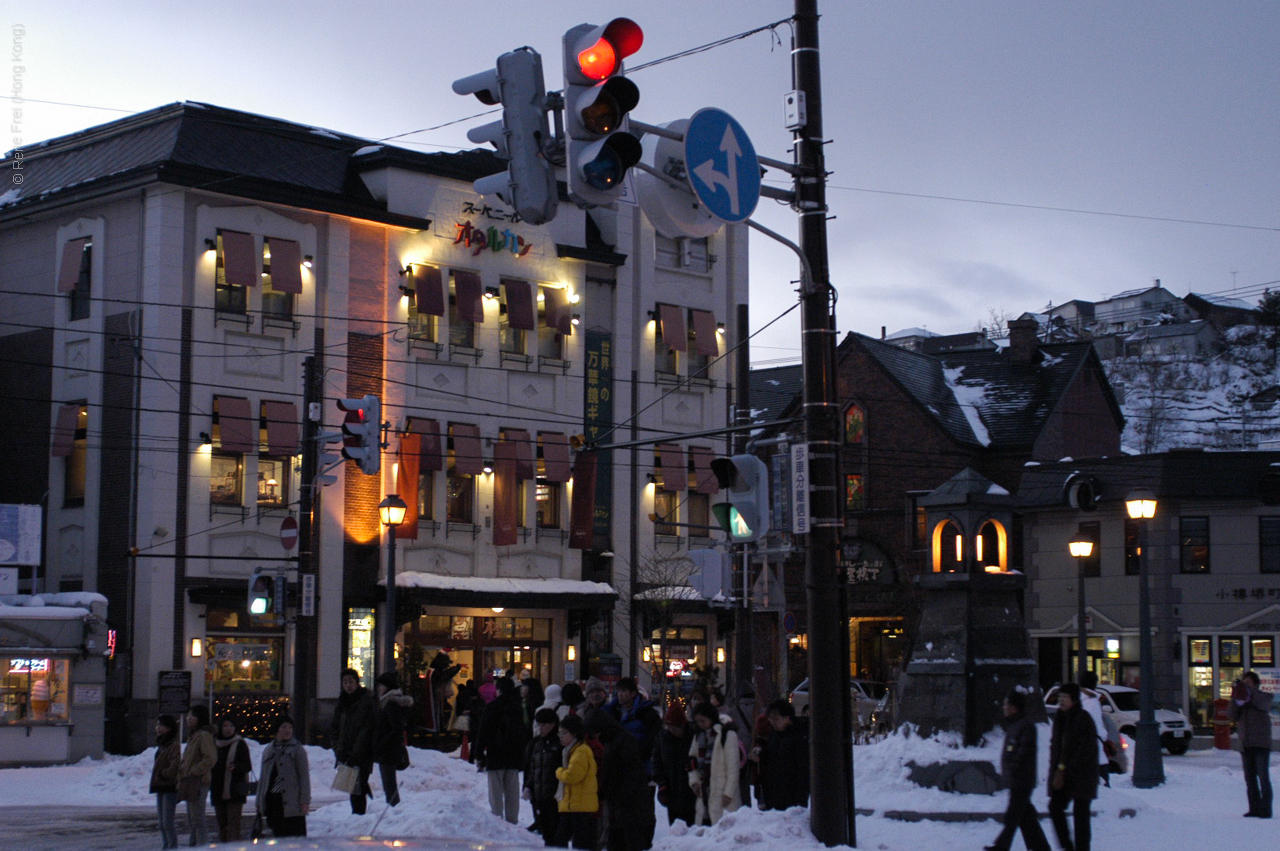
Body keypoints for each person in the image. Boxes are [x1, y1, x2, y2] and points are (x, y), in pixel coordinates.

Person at [985, 691, 1051, 851]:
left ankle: (1001, 847)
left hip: (1022, 779)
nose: (1004, 707)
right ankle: (1040, 847)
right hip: (1019, 779)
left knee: (1013, 817)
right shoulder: (1016, 724)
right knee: (1026, 817)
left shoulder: (1025, 725)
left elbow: (1023, 751)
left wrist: (1013, 768)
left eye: (1006, 704)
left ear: (1014, 708)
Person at [606, 677, 661, 848]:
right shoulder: (612, 711)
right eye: (619, 691)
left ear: (633, 693)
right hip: (617, 767)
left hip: (642, 766)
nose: (620, 695)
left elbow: (653, 739)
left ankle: (644, 841)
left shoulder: (647, 712)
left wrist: (638, 755)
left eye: (624, 691)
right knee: (619, 807)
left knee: (642, 807)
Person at [1048, 683, 1098, 851]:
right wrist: (1057, 770)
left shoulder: (1083, 718)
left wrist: (1067, 768)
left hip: (1081, 775)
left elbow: (1086, 750)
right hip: (1063, 774)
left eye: (1065, 697)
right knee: (1055, 808)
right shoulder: (1059, 718)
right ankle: (1067, 847)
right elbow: (1056, 747)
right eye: (1060, 697)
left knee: (1081, 815)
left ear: (1074, 700)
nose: (1061, 701)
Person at [476, 675, 531, 824]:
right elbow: (522, 731)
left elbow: (484, 732)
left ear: (498, 689)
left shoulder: (492, 707)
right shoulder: (517, 707)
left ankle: (497, 820)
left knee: (496, 791)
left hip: (496, 753)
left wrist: (479, 753)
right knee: (512, 790)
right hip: (513, 754)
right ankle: (512, 820)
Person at [592, 712, 649, 851]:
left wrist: (623, 794)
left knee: (628, 838)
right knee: (617, 835)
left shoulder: (623, 741)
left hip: (628, 801)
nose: (596, 738)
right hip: (617, 799)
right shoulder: (611, 742)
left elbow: (632, 771)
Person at [331, 667, 378, 814]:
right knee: (353, 786)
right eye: (345, 682)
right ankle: (357, 815)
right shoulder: (342, 703)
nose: (348, 685)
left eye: (351, 681)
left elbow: (366, 729)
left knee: (358, 786)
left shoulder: (366, 702)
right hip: (345, 752)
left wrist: (355, 754)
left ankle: (359, 815)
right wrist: (338, 748)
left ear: (357, 683)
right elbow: (334, 727)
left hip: (362, 754)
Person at [687, 701, 741, 825]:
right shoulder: (698, 737)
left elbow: (733, 768)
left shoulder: (727, 735)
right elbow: (691, 762)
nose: (701, 724)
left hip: (723, 795)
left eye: (703, 720)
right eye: (698, 721)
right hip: (705, 795)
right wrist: (694, 783)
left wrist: (728, 793)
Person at [1229, 670, 1274, 818]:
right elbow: (1231, 715)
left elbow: (1263, 704)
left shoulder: (1264, 697)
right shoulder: (1242, 701)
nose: (1246, 685)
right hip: (1246, 744)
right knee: (1250, 780)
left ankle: (1265, 810)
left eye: (1248, 683)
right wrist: (1235, 696)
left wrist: (1249, 692)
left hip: (1261, 744)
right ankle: (1254, 808)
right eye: (1244, 683)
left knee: (1263, 778)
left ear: (1255, 684)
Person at [257, 715, 311, 837]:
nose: (287, 730)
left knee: (295, 838)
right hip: (273, 802)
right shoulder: (269, 749)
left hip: (292, 802)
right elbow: (263, 778)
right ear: (277, 729)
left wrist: (305, 800)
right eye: (284, 727)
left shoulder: (297, 749)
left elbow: (304, 777)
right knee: (277, 837)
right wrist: (259, 801)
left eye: (290, 727)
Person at [553, 714, 599, 849]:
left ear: (574, 733)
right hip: (572, 804)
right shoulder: (570, 751)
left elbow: (572, 776)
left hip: (580, 806)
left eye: (564, 733)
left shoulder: (581, 751)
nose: (560, 736)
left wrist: (559, 771)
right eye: (559, 733)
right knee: (561, 840)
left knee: (580, 843)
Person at [758, 699, 810, 811]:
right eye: (770, 720)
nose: (773, 723)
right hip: (774, 795)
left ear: (787, 718)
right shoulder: (774, 734)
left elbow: (804, 771)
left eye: (776, 719)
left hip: (793, 796)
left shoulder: (800, 735)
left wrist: (801, 799)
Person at [178, 704, 217, 847]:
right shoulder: (194, 735)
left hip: (199, 782)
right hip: (191, 781)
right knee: (192, 819)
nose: (188, 719)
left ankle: (201, 845)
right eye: (188, 715)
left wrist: (194, 771)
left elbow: (210, 759)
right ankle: (194, 845)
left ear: (200, 718)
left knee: (198, 820)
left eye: (192, 716)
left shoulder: (204, 735)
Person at [524, 707, 564, 844]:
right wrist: (529, 786)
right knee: (546, 833)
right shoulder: (537, 743)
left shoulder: (560, 743)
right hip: (539, 795)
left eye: (544, 725)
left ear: (553, 725)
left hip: (555, 796)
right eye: (539, 725)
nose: (541, 728)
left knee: (557, 833)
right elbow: (533, 768)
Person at [652, 702, 696, 826]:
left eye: (675, 729)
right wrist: (661, 784)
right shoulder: (662, 738)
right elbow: (656, 762)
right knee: (676, 825)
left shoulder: (692, 737)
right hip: (670, 787)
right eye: (669, 728)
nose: (672, 731)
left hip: (689, 788)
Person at [374, 670, 413, 807]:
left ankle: (394, 811)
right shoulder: (389, 702)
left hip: (388, 751)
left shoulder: (390, 704)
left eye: (381, 686)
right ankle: (393, 809)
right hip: (389, 749)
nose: (379, 688)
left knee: (389, 785)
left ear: (388, 687)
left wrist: (381, 744)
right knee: (389, 785)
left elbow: (396, 728)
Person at [210, 716, 252, 841]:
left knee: (233, 825)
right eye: (225, 726)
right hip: (218, 789)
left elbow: (247, 765)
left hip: (235, 790)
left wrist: (236, 767)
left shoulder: (240, 744)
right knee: (222, 825)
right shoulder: (214, 744)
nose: (228, 729)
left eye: (231, 726)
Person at [150, 714, 182, 850]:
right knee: (162, 823)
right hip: (160, 786)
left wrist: (163, 774)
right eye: (157, 725)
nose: (157, 728)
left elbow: (175, 765)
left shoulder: (173, 745)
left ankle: (172, 847)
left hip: (169, 786)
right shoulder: (162, 744)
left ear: (169, 728)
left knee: (167, 822)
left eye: (161, 726)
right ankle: (166, 846)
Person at [1077, 672, 1110, 787]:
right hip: (1095, 755)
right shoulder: (1092, 702)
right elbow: (1095, 727)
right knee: (1104, 792)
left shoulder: (1077, 701)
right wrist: (1104, 735)